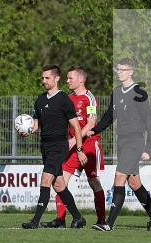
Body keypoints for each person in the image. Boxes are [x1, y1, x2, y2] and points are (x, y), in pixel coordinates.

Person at [87, 58, 151, 232]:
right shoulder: (116, 92)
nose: (119, 72)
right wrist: (96, 129)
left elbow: (149, 120)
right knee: (134, 183)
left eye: (123, 70)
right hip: (121, 141)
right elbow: (110, 116)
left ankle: (109, 224)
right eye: (118, 69)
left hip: (135, 141)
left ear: (131, 72)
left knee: (119, 177)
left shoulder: (139, 92)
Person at [21, 65, 87, 229]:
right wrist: (28, 130)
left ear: (57, 78)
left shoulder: (64, 99)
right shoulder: (40, 100)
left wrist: (79, 150)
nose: (44, 81)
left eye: (47, 78)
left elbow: (76, 127)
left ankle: (35, 221)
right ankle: (78, 217)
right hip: (45, 146)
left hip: (59, 146)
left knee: (45, 179)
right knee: (58, 185)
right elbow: (37, 124)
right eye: (42, 78)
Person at [46, 65, 107, 228]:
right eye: (66, 78)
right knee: (59, 180)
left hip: (89, 145)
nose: (67, 81)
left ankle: (102, 220)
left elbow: (91, 123)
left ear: (81, 80)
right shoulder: (67, 98)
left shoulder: (89, 98)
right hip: (73, 147)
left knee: (93, 181)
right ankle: (61, 219)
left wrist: (75, 140)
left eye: (70, 78)